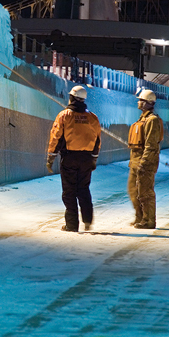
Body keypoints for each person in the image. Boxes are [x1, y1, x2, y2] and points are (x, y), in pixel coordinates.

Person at [47, 86, 101, 232]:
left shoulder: (64, 115)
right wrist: (94, 159)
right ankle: (88, 220)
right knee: (83, 189)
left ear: (71, 97)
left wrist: (51, 157)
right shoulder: (92, 117)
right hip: (86, 158)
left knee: (69, 191)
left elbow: (56, 137)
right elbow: (97, 140)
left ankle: (71, 225)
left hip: (69, 158)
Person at [127, 89, 163, 229]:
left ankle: (149, 221)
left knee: (145, 192)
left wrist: (144, 162)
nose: (138, 102)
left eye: (141, 100)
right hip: (135, 160)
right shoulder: (142, 119)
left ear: (147, 103)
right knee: (133, 190)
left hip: (144, 162)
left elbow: (151, 144)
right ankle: (140, 217)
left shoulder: (152, 120)